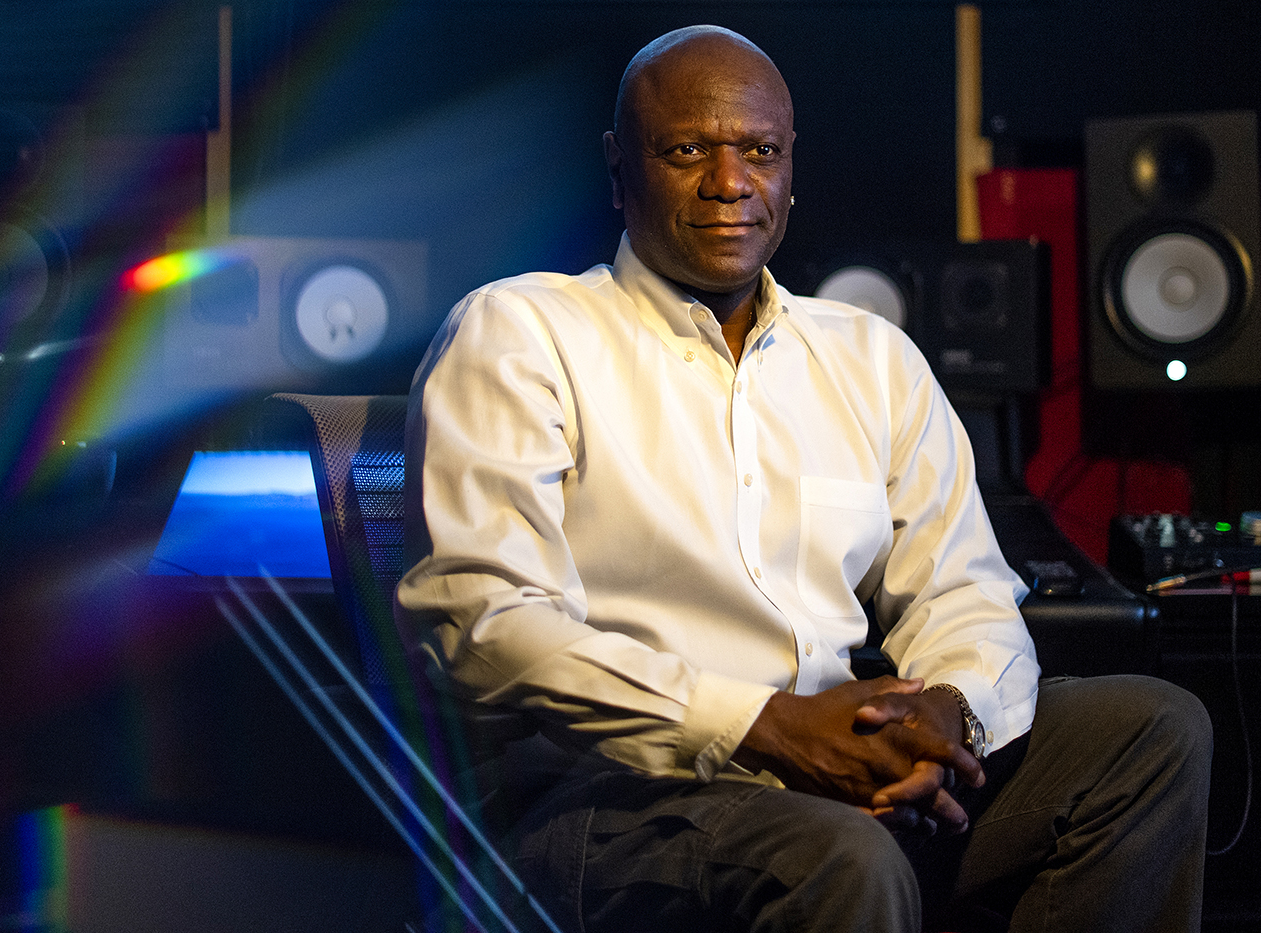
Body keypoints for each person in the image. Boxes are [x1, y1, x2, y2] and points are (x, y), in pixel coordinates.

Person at [396, 24, 1211, 933]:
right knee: (839, 856)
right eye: (686, 150)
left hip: (840, 779)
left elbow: (963, 588)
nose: (729, 181)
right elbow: (484, 623)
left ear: (790, 168)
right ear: (618, 167)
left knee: (1151, 730)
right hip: (610, 803)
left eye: (759, 151)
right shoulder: (520, 332)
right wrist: (767, 726)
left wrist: (945, 717)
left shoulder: (870, 357)